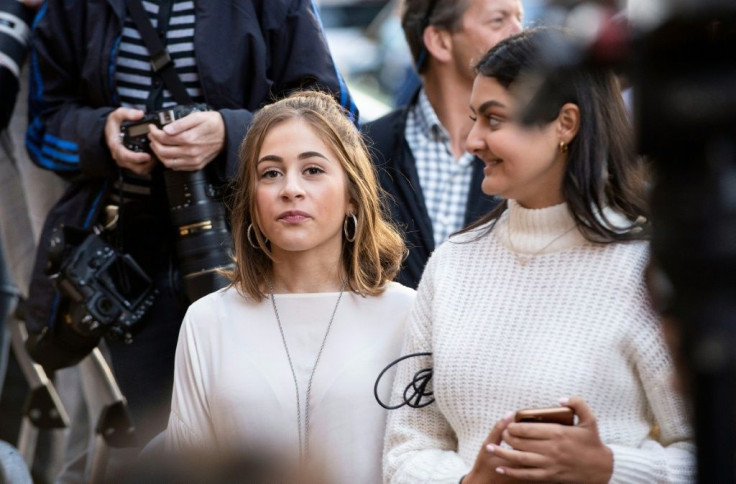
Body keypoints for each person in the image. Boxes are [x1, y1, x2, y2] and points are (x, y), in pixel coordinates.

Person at [24, 0, 357, 453]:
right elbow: (44, 128)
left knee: (272, 435)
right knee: (162, 442)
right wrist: (103, 134)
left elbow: (332, 116)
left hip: (255, 244)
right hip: (135, 261)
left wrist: (231, 133)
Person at [383, 28, 695, 483]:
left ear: (565, 124)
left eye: (493, 119)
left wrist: (610, 468)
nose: (471, 140)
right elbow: (406, 446)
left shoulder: (642, 266)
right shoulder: (452, 264)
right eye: (473, 119)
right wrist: (470, 482)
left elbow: (712, 452)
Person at [166, 91, 415, 484]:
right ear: (251, 199)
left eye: (313, 170)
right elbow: (188, 468)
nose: (290, 189)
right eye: (270, 173)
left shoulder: (408, 316)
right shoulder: (208, 321)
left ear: (353, 195)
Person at [362, 0, 523, 288]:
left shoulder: (531, 150)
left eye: (519, 18)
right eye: (498, 20)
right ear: (439, 41)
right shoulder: (364, 151)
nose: (518, 32)